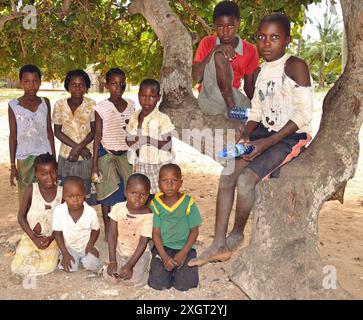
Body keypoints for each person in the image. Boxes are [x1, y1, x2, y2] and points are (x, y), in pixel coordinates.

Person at [189, 13, 314, 267]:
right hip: (263, 132)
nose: (266, 44)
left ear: (287, 40)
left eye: (274, 37)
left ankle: (237, 234)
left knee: (246, 180)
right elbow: (257, 110)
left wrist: (265, 144)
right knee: (228, 173)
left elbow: (303, 115)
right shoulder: (260, 71)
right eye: (261, 38)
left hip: (290, 137)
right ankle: (218, 244)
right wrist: (247, 133)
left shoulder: (295, 66)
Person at [192, 1, 259, 120]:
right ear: (214, 25)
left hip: (234, 96)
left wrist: (259, 105)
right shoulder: (207, 42)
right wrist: (215, 50)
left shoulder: (250, 50)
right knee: (219, 56)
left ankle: (234, 112)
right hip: (210, 97)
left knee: (256, 114)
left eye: (230, 26)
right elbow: (197, 77)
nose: (225, 31)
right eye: (220, 27)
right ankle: (232, 109)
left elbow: (249, 89)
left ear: (238, 23)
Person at [91, 68, 134, 240]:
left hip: (126, 156)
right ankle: (109, 230)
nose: (118, 87)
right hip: (106, 154)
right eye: (114, 84)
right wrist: (94, 165)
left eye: (121, 83)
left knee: (127, 192)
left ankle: (123, 227)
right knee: (106, 195)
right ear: (107, 85)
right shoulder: (101, 108)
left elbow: (133, 130)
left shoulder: (131, 105)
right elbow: (97, 136)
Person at [148, 164, 202, 291]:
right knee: (158, 284)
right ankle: (167, 267)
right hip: (163, 247)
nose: (169, 184)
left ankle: (177, 270)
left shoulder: (188, 202)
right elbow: (155, 233)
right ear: (158, 183)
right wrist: (164, 257)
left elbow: (194, 230)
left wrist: (182, 254)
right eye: (165, 181)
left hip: (185, 247)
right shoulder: (155, 203)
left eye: (174, 180)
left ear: (181, 182)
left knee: (184, 285)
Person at [8, 64, 56, 204]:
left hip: (44, 156)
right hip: (24, 158)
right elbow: (13, 136)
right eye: (27, 82)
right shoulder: (14, 105)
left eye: (35, 81)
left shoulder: (44, 102)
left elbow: (48, 130)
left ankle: (45, 223)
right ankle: (28, 223)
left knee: (46, 193)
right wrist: (12, 166)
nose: (31, 86)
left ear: (40, 82)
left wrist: (53, 157)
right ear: (21, 82)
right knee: (26, 195)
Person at [11, 153, 62, 277]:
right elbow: (21, 217)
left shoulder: (61, 192)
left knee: (48, 267)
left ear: (57, 171)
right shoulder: (31, 190)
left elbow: (63, 221)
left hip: (52, 238)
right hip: (31, 237)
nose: (49, 177)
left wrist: (50, 238)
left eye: (52, 172)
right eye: (43, 174)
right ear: (36, 174)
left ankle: (57, 253)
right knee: (17, 267)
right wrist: (34, 238)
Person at [52, 69, 97, 206]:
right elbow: (58, 132)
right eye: (73, 84)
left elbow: (94, 131)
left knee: (83, 192)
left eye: (81, 84)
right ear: (68, 86)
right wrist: (77, 149)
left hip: (86, 155)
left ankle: (83, 222)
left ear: (86, 87)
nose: (77, 87)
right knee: (66, 192)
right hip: (67, 155)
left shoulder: (92, 104)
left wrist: (79, 149)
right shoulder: (60, 105)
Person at [126, 79, 175, 194]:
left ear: (158, 97)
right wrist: (130, 141)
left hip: (158, 164)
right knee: (143, 194)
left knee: (158, 195)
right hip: (140, 163)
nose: (147, 100)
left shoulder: (162, 119)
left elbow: (168, 145)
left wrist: (147, 140)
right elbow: (129, 136)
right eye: (143, 96)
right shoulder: (134, 116)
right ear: (138, 96)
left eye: (152, 96)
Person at [104, 174, 153, 287]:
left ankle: (144, 267)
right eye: (133, 193)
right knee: (112, 277)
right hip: (120, 251)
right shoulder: (118, 208)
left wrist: (130, 265)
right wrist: (112, 261)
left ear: (148, 196)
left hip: (138, 254)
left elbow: (143, 242)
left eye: (143, 194)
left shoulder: (148, 215)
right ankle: (114, 264)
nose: (138, 198)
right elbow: (112, 235)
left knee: (132, 280)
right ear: (125, 192)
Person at [53, 176, 101, 272]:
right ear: (63, 196)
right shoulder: (59, 211)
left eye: (79, 195)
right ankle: (64, 257)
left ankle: (91, 253)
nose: (75, 200)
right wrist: (65, 253)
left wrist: (90, 245)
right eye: (70, 196)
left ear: (84, 194)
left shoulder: (90, 212)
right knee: (69, 267)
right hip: (69, 248)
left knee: (92, 265)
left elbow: (96, 230)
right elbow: (57, 234)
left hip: (85, 246)